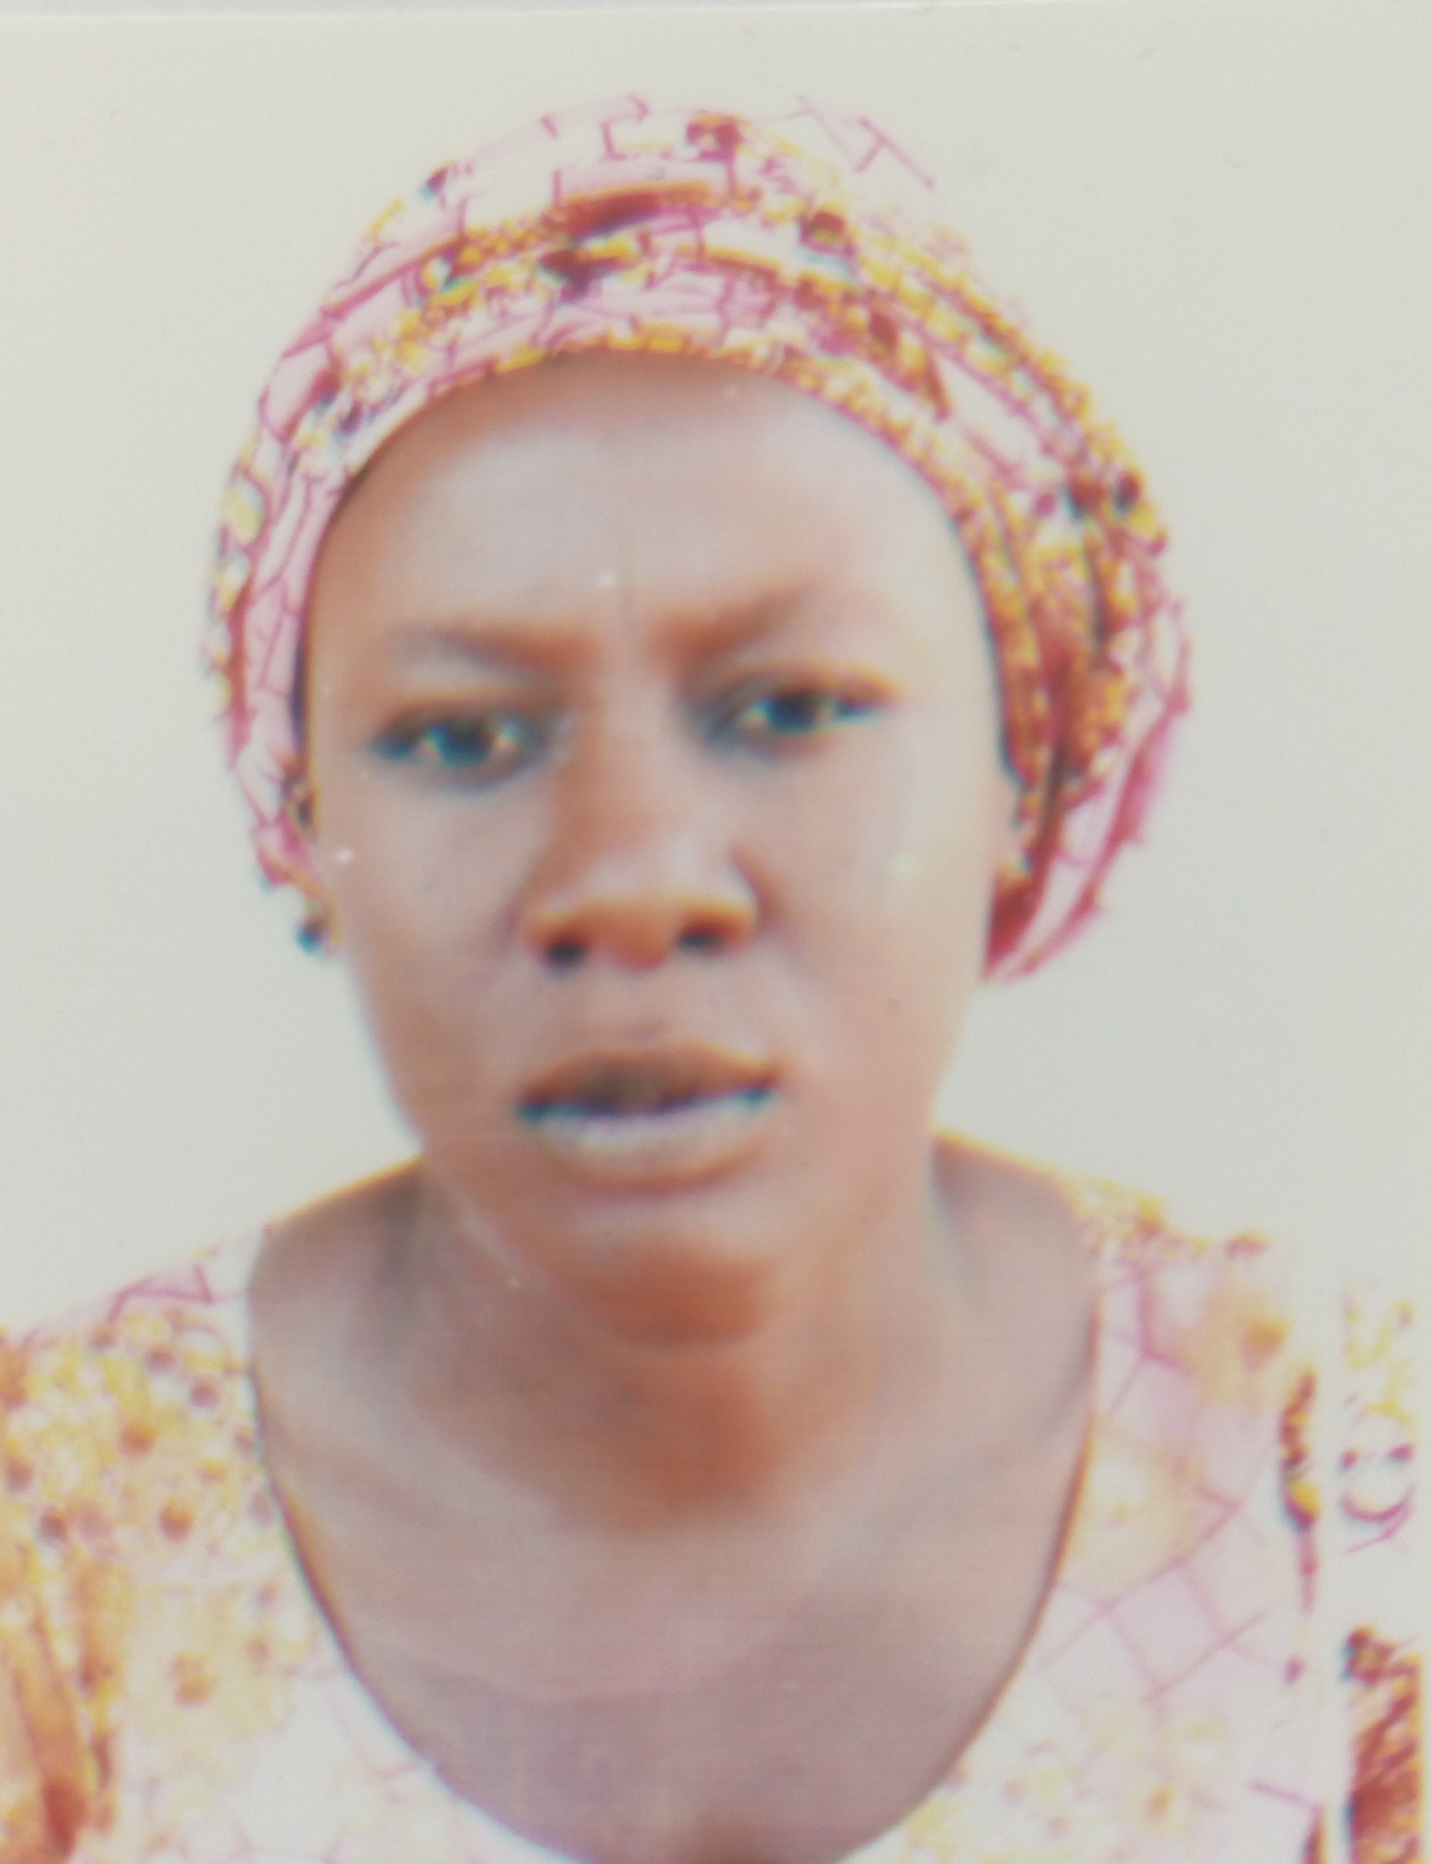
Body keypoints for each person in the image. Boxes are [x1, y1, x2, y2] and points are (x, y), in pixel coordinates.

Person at [0, 98, 1418, 1864]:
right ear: (307, 831)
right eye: (460, 736)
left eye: (791, 708)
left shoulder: (1339, 1495)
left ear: (1025, 769)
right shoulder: (53, 1545)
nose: (634, 878)